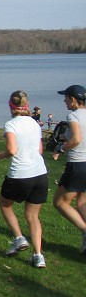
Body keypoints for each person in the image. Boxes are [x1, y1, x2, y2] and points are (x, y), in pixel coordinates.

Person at [0, 90, 48, 268]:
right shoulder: (34, 123)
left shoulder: (11, 125)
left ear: (11, 106)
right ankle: (38, 255)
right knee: (32, 216)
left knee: (4, 204)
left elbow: (12, 150)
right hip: (40, 173)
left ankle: (19, 238)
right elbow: (40, 150)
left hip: (20, 174)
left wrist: (1, 156)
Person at [51, 84, 86, 255]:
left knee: (60, 202)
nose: (64, 101)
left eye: (66, 98)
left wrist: (62, 149)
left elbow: (77, 139)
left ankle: (85, 231)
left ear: (73, 99)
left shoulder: (73, 115)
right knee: (81, 201)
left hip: (77, 165)